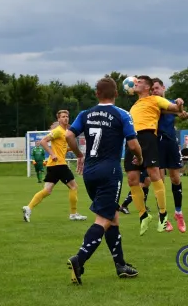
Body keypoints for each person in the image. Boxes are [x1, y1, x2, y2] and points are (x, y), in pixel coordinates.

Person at [65, 77, 143, 284]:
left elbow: (68, 136)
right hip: (110, 172)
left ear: (96, 94)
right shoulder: (122, 114)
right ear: (117, 94)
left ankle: (121, 265)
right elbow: (133, 144)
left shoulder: (85, 114)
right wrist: (140, 158)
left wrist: (79, 154)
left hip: (90, 172)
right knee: (103, 219)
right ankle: (79, 259)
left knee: (111, 216)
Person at [123, 75, 185, 235]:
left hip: (148, 137)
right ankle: (143, 215)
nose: (136, 84)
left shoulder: (155, 100)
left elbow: (175, 109)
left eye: (140, 82)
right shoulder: (134, 105)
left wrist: (179, 103)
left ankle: (163, 215)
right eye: (135, 82)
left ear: (147, 88)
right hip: (132, 139)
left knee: (154, 174)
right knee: (132, 179)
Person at [151, 78, 188, 233]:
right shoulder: (153, 104)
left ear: (163, 88)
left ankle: (178, 213)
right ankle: (163, 217)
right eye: (152, 89)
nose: (154, 91)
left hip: (171, 143)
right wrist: (179, 106)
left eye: (157, 88)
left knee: (175, 178)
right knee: (160, 181)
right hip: (157, 143)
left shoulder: (171, 102)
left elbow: (181, 115)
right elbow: (173, 110)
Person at [22, 110, 87, 222]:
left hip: (53, 165)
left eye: (67, 116)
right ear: (58, 119)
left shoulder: (65, 132)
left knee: (47, 190)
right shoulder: (58, 131)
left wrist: (73, 149)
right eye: (63, 117)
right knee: (74, 187)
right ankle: (73, 214)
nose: (66, 118)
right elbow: (43, 141)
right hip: (59, 164)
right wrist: (52, 154)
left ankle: (28, 208)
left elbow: (63, 149)